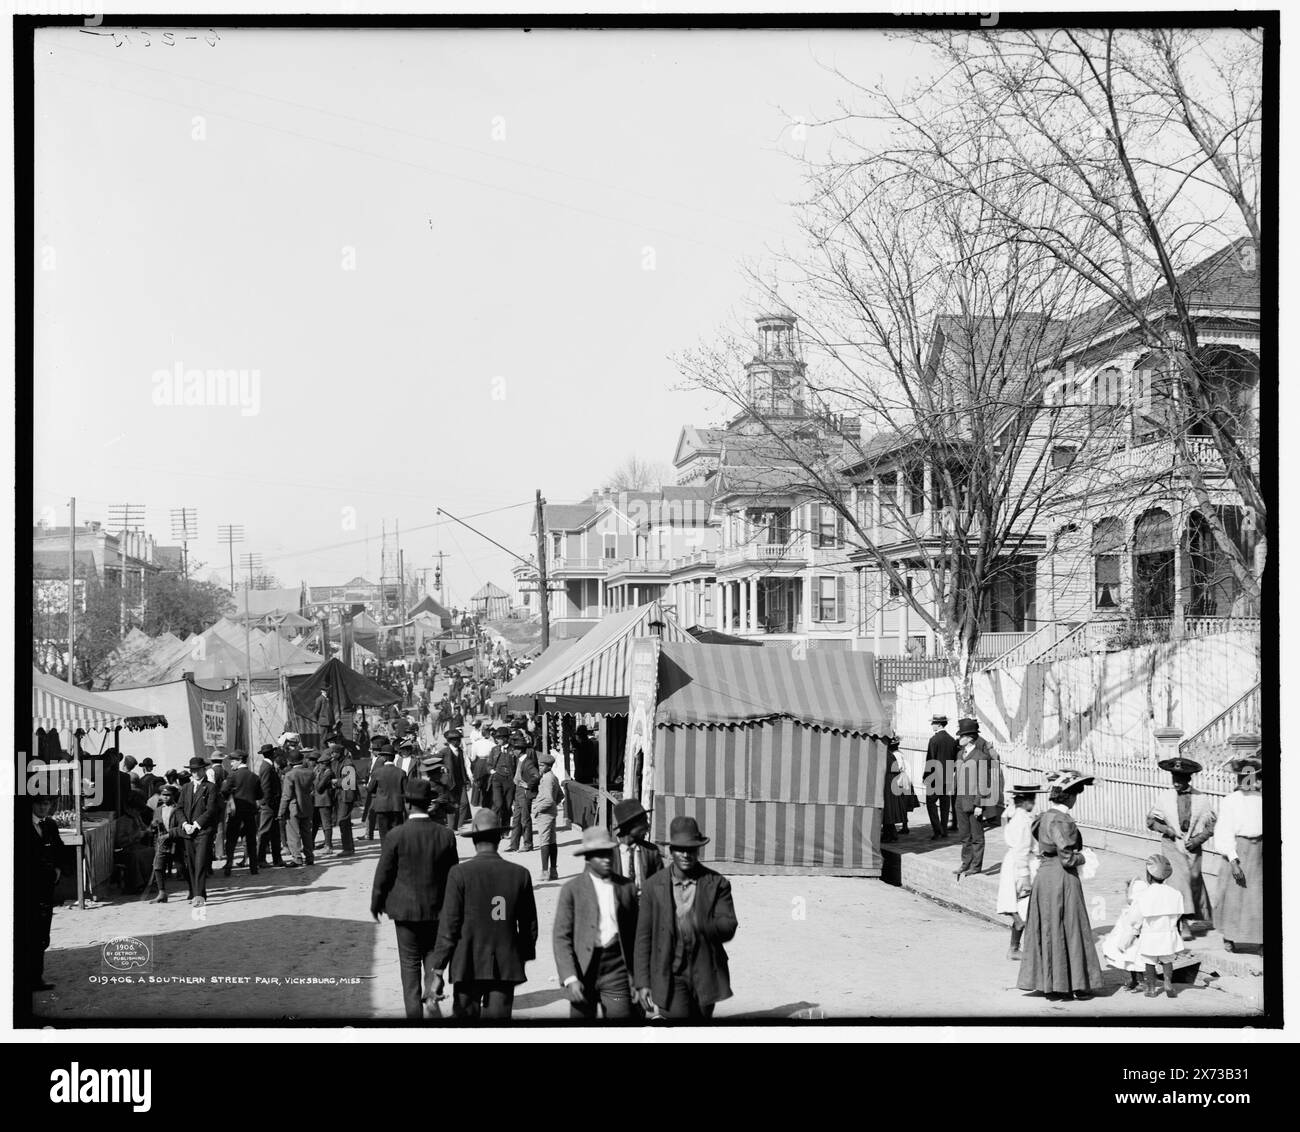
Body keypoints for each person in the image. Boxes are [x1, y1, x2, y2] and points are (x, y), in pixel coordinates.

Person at [430, 810, 538, 1020]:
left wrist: (438, 968)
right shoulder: (520, 874)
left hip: (467, 963)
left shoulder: (459, 874)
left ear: (474, 840)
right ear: (499, 838)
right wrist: (521, 958)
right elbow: (529, 926)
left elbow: (449, 925)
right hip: (505, 964)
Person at [371, 778, 460, 1020]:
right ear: (429, 803)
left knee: (409, 964)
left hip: (405, 913)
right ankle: (432, 999)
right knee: (433, 961)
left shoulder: (396, 835)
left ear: (408, 804)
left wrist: (376, 904)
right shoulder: (446, 835)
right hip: (436, 912)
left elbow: (383, 874)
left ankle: (414, 1016)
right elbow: (454, 875)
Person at [633, 815, 738, 1021]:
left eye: (691, 849)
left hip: (706, 969)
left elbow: (729, 925)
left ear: (698, 850)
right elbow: (643, 938)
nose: (685, 854)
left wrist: (701, 924)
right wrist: (643, 982)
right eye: (680, 848)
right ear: (671, 851)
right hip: (669, 972)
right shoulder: (653, 886)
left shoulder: (717, 883)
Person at [1016, 768, 1103, 1000]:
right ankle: (1072, 983)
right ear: (1071, 797)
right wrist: (1085, 857)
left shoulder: (1044, 816)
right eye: (1076, 795)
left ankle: (1050, 984)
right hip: (1062, 877)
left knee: (1048, 927)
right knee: (1071, 927)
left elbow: (1041, 840)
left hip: (1044, 877)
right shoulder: (1062, 820)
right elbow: (1067, 856)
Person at [553, 827, 639, 1019]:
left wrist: (639, 978)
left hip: (617, 970)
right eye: (599, 855)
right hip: (583, 970)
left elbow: (637, 936)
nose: (607, 859)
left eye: (608, 853)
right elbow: (561, 937)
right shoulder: (572, 890)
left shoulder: (626, 888)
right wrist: (570, 978)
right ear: (588, 858)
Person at [1146, 756, 1216, 941]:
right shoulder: (1165, 797)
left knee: (1193, 880)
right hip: (1171, 845)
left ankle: (1197, 916)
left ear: (1188, 779)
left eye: (1181, 778)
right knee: (1178, 883)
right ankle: (1182, 922)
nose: (1176, 782)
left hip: (1193, 847)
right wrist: (1167, 829)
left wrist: (1197, 840)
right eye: (1174, 777)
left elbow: (1211, 826)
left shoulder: (1201, 799)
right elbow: (1151, 821)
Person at [1214, 754, 1263, 953]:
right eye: (1242, 778)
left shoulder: (1262, 799)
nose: (1247, 782)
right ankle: (1230, 936)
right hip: (1238, 849)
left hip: (1259, 851)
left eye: (1250, 777)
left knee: (1258, 896)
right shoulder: (1230, 801)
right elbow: (1224, 831)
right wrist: (1233, 860)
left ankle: (1260, 939)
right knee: (1234, 895)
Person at [996, 783, 1045, 960]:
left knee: (1018, 906)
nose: (1034, 802)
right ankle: (1019, 949)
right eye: (1031, 799)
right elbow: (1022, 848)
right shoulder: (1023, 820)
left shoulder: (1013, 814)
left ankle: (1015, 948)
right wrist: (1025, 877)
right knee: (1024, 905)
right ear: (1024, 801)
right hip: (1021, 864)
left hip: (1012, 862)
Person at [952, 717, 1004, 879]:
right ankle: (965, 862)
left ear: (970, 738)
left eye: (961, 736)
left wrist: (980, 804)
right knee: (964, 835)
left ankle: (976, 866)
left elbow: (983, 783)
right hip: (960, 800)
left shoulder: (981, 757)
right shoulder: (960, 754)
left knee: (977, 836)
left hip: (974, 801)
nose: (959, 739)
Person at [25, 794, 64, 991]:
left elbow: (59, 850)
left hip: (45, 888)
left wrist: (57, 868)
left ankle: (36, 977)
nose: (43, 807)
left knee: (42, 933)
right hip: (25, 888)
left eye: (46, 803)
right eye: (39, 803)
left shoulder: (50, 825)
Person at [1135, 853, 1186, 999]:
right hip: (1168, 933)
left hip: (1150, 934)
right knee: (1167, 959)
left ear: (1148, 875)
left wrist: (1135, 928)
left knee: (1149, 961)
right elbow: (1178, 915)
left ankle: (1151, 988)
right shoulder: (1175, 894)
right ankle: (1168, 984)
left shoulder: (1144, 895)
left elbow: (1136, 917)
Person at [177, 756, 222, 905]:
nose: (195, 773)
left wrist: (196, 824)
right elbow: (179, 809)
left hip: (203, 831)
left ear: (204, 770)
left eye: (198, 770)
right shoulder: (186, 788)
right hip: (187, 831)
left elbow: (211, 810)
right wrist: (184, 824)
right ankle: (195, 892)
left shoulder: (210, 787)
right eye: (193, 770)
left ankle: (199, 896)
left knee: (200, 862)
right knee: (190, 863)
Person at [1102, 871, 1156, 993]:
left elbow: (1132, 928)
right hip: (1127, 942)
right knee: (1129, 963)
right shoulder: (1129, 910)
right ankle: (1134, 980)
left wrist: (1124, 941)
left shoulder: (1137, 911)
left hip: (1133, 942)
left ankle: (1141, 982)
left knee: (1136, 962)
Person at [610, 798, 662, 899]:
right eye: (644, 822)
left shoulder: (651, 851)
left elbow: (660, 884)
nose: (648, 826)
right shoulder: (608, 853)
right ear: (630, 826)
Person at [221, 749, 262, 878]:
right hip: (250, 812)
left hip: (235, 812)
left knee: (231, 840)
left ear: (239, 760)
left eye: (233, 761)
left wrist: (231, 795)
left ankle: (228, 865)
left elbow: (223, 791)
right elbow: (260, 795)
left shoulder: (232, 776)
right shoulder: (254, 777)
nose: (231, 763)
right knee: (251, 840)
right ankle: (253, 867)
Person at [142, 784, 184, 903]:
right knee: (158, 867)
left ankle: (192, 890)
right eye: (163, 795)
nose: (165, 797)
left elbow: (181, 827)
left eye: (168, 795)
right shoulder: (158, 810)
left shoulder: (178, 809)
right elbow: (152, 826)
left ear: (173, 795)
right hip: (161, 843)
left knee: (182, 867)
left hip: (176, 842)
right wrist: (153, 826)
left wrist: (170, 834)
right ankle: (162, 893)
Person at [278, 749, 316, 868]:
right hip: (307, 805)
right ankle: (309, 857)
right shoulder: (310, 772)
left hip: (293, 807)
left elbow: (286, 795)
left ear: (290, 762)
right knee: (306, 833)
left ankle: (297, 858)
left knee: (293, 834)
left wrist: (281, 811)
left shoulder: (290, 775)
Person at [923, 714, 958, 840]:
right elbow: (955, 760)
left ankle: (937, 830)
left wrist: (926, 777)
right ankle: (944, 830)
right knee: (945, 804)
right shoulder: (952, 740)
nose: (931, 725)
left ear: (938, 724)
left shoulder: (934, 740)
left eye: (933, 723)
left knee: (930, 803)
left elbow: (930, 760)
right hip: (947, 776)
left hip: (934, 777)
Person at [881, 735, 919, 841]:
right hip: (895, 781)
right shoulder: (892, 755)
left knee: (890, 809)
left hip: (892, 782)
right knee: (893, 809)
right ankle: (893, 832)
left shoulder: (890, 755)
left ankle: (890, 834)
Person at [533, 751, 562, 882]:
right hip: (551, 812)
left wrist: (538, 809)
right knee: (552, 842)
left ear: (548, 766)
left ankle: (545, 872)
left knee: (544, 842)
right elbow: (560, 795)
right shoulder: (553, 777)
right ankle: (554, 870)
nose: (540, 768)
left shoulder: (547, 778)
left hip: (545, 814)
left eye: (542, 765)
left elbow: (549, 799)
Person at [508, 733, 539, 854]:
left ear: (519, 750)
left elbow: (536, 775)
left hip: (524, 792)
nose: (513, 751)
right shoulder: (519, 761)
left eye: (514, 749)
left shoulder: (527, 762)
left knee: (525, 819)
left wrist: (528, 785)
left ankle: (528, 844)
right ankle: (514, 844)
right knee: (516, 819)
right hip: (518, 791)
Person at [368, 747, 408, 841]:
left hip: (382, 807)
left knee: (384, 834)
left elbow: (370, 789)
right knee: (397, 834)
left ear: (384, 758)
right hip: (397, 807)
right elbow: (406, 791)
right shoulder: (401, 773)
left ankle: (386, 853)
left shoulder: (377, 772)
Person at [256, 744, 285, 868]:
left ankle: (277, 859)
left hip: (271, 804)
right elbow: (266, 787)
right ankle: (261, 859)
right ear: (272, 754)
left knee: (274, 833)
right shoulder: (267, 768)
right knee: (264, 831)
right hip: (269, 805)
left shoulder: (267, 766)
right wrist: (268, 804)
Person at [440, 728, 472, 830]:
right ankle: (452, 827)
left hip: (460, 781)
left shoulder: (461, 751)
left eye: (458, 739)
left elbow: (463, 766)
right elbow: (436, 761)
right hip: (450, 782)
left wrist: (467, 780)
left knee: (464, 803)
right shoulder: (444, 752)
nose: (458, 741)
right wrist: (442, 770)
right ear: (450, 741)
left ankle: (459, 825)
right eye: (455, 740)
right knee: (453, 804)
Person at [310, 749, 337, 857]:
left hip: (324, 801)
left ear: (324, 764)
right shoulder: (322, 772)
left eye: (320, 763)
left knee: (326, 824)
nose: (318, 765)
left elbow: (319, 787)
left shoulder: (328, 773)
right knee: (316, 823)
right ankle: (312, 843)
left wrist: (315, 778)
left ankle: (328, 846)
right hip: (318, 801)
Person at [490, 725, 516, 829]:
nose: (497, 740)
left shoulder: (513, 749)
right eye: (496, 738)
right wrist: (491, 771)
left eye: (499, 738)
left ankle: (505, 828)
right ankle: (494, 827)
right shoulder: (494, 749)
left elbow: (517, 764)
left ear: (505, 738)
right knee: (498, 804)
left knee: (507, 805)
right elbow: (489, 763)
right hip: (497, 779)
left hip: (509, 780)